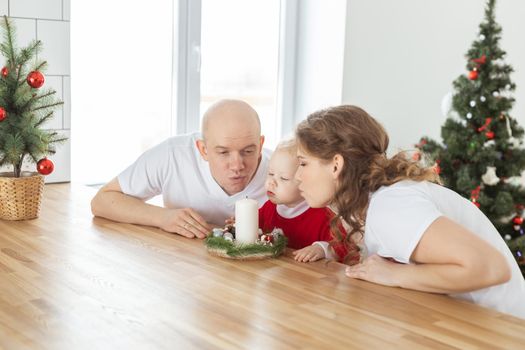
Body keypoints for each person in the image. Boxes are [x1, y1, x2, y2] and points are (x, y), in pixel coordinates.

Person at [293, 104, 525, 319]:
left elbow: (493, 268)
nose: (297, 176)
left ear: (336, 165)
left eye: (303, 163)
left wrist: (392, 275)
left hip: (503, 329)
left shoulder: (391, 207)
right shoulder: (371, 204)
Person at [91, 99, 271, 239]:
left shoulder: (283, 171)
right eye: (223, 152)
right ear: (203, 149)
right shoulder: (173, 156)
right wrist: (163, 218)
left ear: (260, 145)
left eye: (248, 151)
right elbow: (102, 201)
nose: (238, 166)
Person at [259, 139, 358, 264]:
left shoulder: (324, 215)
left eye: (283, 178)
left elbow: (347, 249)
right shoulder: (269, 207)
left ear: (304, 180)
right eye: (270, 173)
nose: (271, 182)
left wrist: (321, 249)